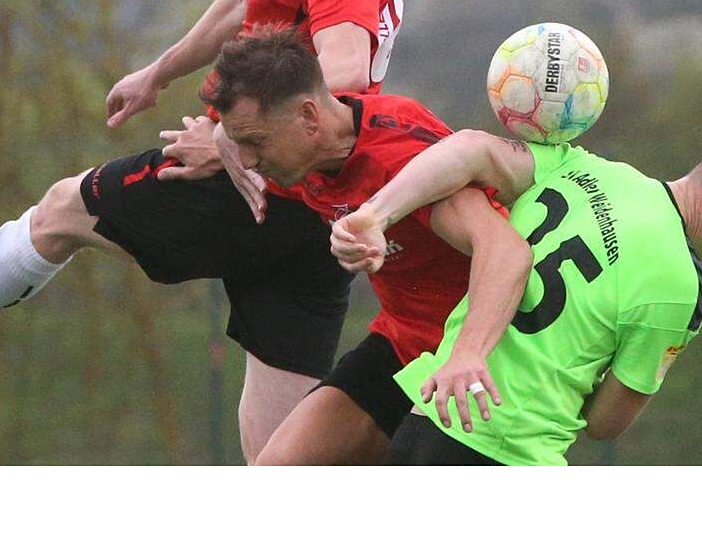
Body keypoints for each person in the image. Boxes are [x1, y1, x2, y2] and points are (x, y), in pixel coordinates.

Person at [0, 0, 404, 464]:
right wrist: (160, 72)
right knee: (278, 457)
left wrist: (231, 142)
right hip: (318, 212)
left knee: (63, 210)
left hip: (254, 184)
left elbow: (344, 76)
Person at [330, 126, 702, 464]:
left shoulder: (584, 168)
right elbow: (605, 423)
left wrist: (376, 214)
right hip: (511, 454)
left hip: (424, 420)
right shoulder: (682, 289)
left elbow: (471, 148)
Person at [192, 28, 534, 465]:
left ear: (309, 118)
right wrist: (214, 142)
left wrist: (467, 355)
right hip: (402, 344)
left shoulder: (405, 162)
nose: (250, 161)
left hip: (475, 355)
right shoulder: (308, 149)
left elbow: (508, 252)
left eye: (254, 142)